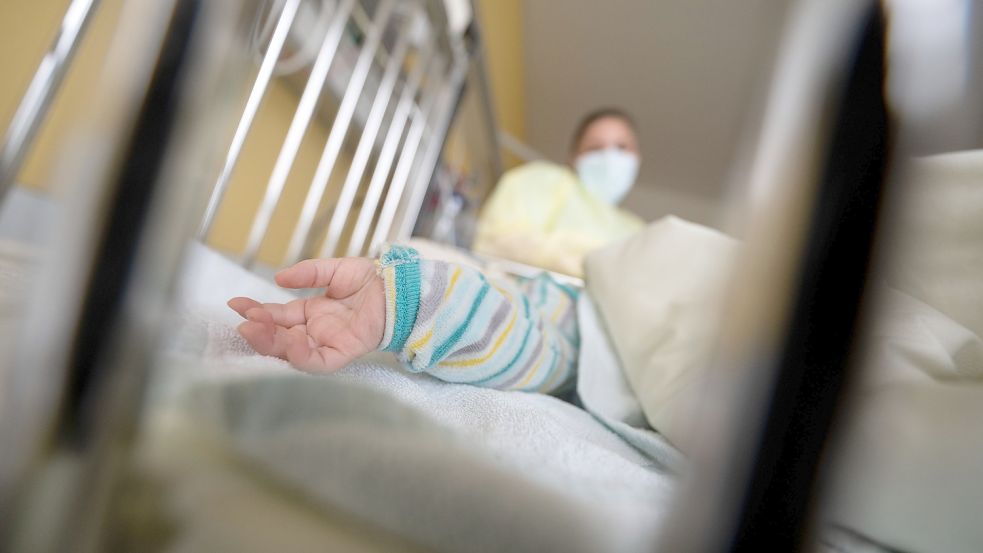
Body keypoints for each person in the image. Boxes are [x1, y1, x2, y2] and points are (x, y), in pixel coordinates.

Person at [228, 243, 579, 394]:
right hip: (534, 290)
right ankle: (414, 296)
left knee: (534, 350)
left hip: (575, 326)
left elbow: (541, 357)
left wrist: (408, 303)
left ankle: (419, 299)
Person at [472, 108, 645, 277]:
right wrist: (589, 259)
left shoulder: (640, 231)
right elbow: (494, 242)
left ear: (637, 157)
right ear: (574, 157)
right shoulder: (541, 181)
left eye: (622, 147)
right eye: (595, 148)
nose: (609, 158)